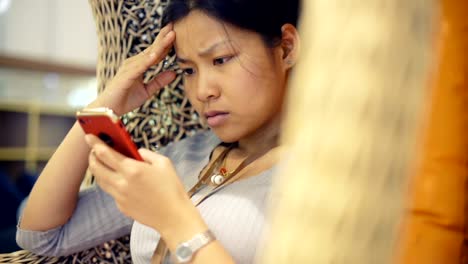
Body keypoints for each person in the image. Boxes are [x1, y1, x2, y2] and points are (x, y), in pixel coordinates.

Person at [16, 0, 300, 263]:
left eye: (220, 60)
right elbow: (41, 235)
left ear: (286, 47)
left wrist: (173, 219)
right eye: (188, 70)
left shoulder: (321, 177)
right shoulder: (186, 157)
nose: (202, 92)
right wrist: (103, 106)